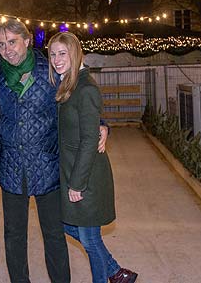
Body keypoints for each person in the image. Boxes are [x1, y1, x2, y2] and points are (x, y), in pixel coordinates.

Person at [0, 19, 108, 283]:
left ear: (27, 40)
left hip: (48, 165)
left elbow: (77, 102)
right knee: (13, 236)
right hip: (12, 167)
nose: (7, 49)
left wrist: (102, 124)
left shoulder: (50, 71)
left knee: (54, 235)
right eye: (1, 44)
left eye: (12, 42)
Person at [47, 31, 138, 283]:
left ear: (76, 54)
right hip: (71, 171)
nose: (56, 59)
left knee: (89, 240)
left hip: (85, 175)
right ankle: (116, 273)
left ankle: (109, 276)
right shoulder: (67, 84)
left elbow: (89, 140)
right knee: (69, 227)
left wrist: (77, 183)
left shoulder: (85, 88)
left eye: (62, 53)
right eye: (53, 54)